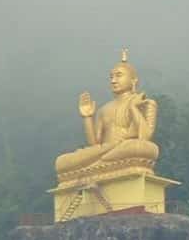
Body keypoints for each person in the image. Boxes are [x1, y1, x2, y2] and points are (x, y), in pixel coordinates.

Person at [55, 49, 159, 180]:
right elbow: (94, 144)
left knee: (141, 148)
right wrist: (87, 117)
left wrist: (133, 107)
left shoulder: (146, 103)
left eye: (119, 75)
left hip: (126, 149)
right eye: (111, 77)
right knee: (61, 162)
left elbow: (145, 137)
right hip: (105, 151)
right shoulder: (104, 109)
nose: (113, 81)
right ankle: (103, 162)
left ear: (133, 80)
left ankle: (99, 163)